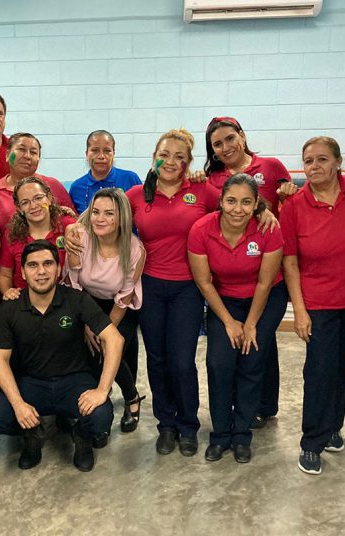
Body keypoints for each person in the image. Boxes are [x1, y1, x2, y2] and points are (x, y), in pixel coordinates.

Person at [280, 136, 345, 476]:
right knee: (319, 371)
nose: (314, 166)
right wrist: (299, 310)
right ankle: (312, 441)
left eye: (322, 159)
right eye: (308, 161)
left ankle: (334, 427)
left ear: (338, 161)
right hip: (319, 303)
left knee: (341, 369)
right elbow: (290, 262)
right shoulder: (294, 206)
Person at [0, 241, 124, 472]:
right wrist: (18, 404)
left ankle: (81, 436)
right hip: (32, 383)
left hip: (74, 381)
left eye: (48, 264)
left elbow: (115, 339)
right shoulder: (10, 308)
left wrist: (102, 390)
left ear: (58, 269)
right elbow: (0, 360)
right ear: (23, 272)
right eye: (33, 265)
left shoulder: (76, 299)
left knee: (101, 417)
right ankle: (32, 434)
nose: (41, 271)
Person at [126, 129, 221, 457]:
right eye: (164, 155)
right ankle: (166, 425)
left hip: (188, 288)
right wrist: (72, 225)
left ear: (189, 163)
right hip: (150, 286)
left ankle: (188, 425)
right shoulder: (136, 195)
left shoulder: (201, 190)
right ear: (154, 157)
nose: (171, 161)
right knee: (156, 359)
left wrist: (264, 210)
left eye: (180, 157)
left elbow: (237, 206)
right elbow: (102, 219)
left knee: (181, 361)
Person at [205, 116, 297, 428]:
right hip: (231, 278)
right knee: (235, 349)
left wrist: (283, 198)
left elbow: (289, 201)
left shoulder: (271, 166)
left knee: (260, 344)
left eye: (230, 139)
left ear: (242, 136)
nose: (225, 147)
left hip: (269, 272)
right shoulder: (212, 179)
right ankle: (239, 404)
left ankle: (263, 405)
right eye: (217, 144)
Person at [188, 174, 287, 464]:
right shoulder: (201, 229)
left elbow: (265, 283)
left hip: (265, 299)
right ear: (221, 201)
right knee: (219, 363)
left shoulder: (268, 229)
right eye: (231, 201)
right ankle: (220, 434)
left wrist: (251, 324)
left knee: (252, 360)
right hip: (224, 301)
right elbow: (204, 282)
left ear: (256, 204)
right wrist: (229, 322)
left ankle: (242, 434)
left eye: (246, 202)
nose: (238, 209)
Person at [64, 188, 146, 434]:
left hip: (119, 306)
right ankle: (103, 404)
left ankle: (131, 397)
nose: (100, 219)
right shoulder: (80, 237)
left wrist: (103, 331)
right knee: (90, 352)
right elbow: (74, 284)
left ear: (121, 218)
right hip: (85, 301)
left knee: (108, 346)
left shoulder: (135, 249)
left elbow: (124, 297)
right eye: (96, 212)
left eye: (109, 214)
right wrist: (86, 323)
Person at [0, 177, 76, 296]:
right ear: (19, 209)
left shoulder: (68, 226)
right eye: (25, 202)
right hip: (24, 300)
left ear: (49, 198)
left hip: (63, 298)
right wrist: (8, 292)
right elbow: (5, 275)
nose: (33, 206)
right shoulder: (12, 235)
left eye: (38, 198)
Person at [0, 133, 75, 235]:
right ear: (7, 155)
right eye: (21, 149)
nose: (27, 156)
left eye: (33, 152)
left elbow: (75, 221)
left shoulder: (53, 185)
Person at [69, 130, 142, 214]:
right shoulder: (76, 188)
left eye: (107, 151)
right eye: (95, 150)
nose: (101, 156)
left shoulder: (130, 179)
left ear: (113, 154)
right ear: (87, 154)